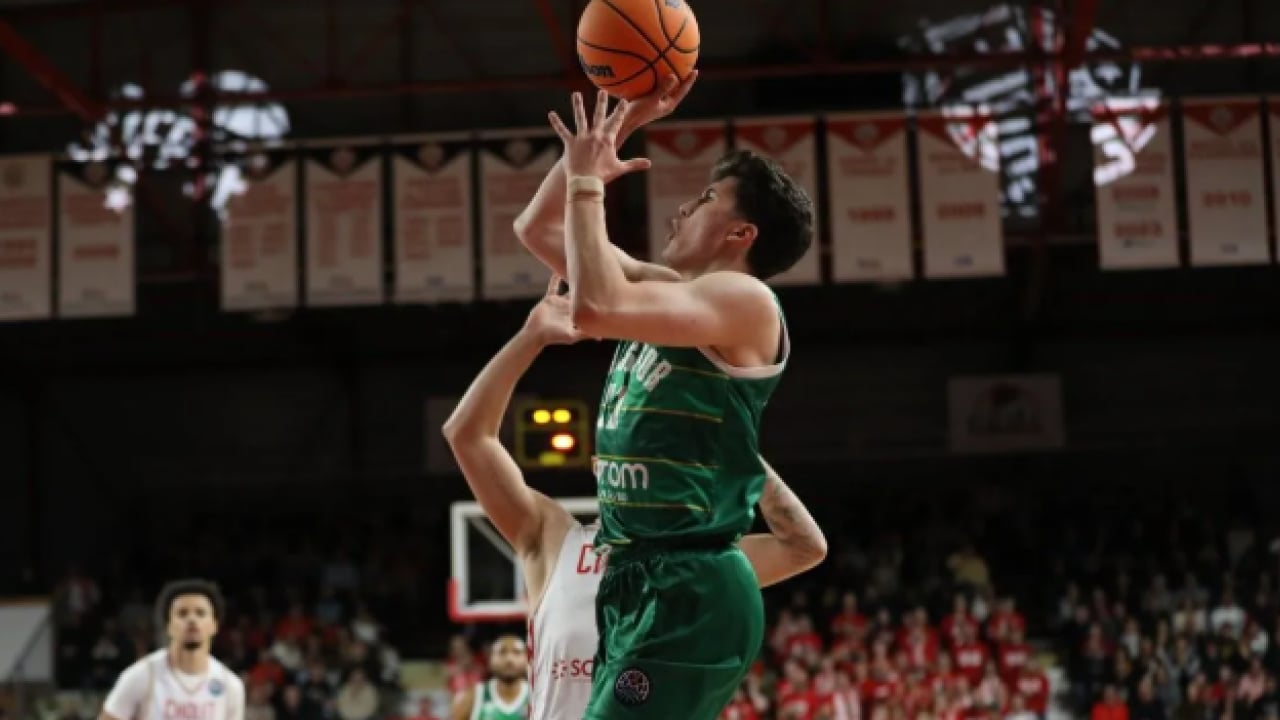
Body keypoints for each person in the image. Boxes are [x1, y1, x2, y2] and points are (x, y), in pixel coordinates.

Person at [539, 85, 816, 719]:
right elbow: (540, 231)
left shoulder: (746, 300)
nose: (682, 209)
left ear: (741, 233)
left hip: (692, 585)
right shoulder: (670, 296)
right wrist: (599, 146)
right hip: (634, 577)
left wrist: (588, 184)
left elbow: (594, 305)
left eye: (706, 200)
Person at [442, 279, 826, 720]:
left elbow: (805, 547)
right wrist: (531, 337)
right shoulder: (551, 538)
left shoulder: (692, 559)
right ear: (603, 459)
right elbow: (466, 435)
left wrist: (729, 447)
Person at [100, 579, 246, 720]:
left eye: (200, 613)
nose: (192, 620)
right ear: (168, 626)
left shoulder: (230, 685)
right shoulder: (141, 676)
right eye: (182, 613)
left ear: (214, 625)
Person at [449, 635, 530, 720]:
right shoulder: (472, 697)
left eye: (517, 652)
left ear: (527, 659)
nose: (509, 659)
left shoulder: (537, 697)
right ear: (491, 659)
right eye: (502, 652)